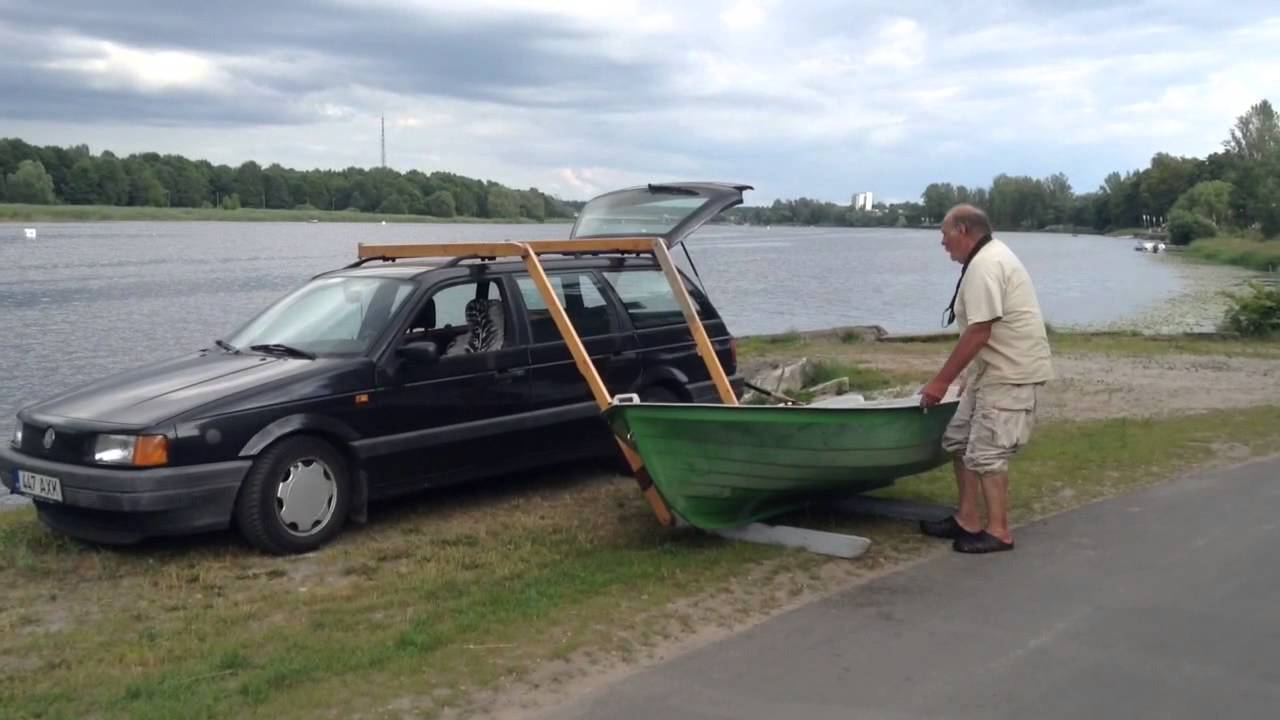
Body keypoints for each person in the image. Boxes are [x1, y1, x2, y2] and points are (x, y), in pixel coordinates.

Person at [918, 204, 1054, 553]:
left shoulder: (987, 264)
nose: (942, 242)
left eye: (945, 234)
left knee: (987, 453)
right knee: (959, 441)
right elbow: (982, 332)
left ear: (963, 230)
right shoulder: (984, 259)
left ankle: (998, 532)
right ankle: (968, 518)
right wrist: (968, 376)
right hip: (989, 371)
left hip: (1011, 373)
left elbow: (979, 331)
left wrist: (940, 382)